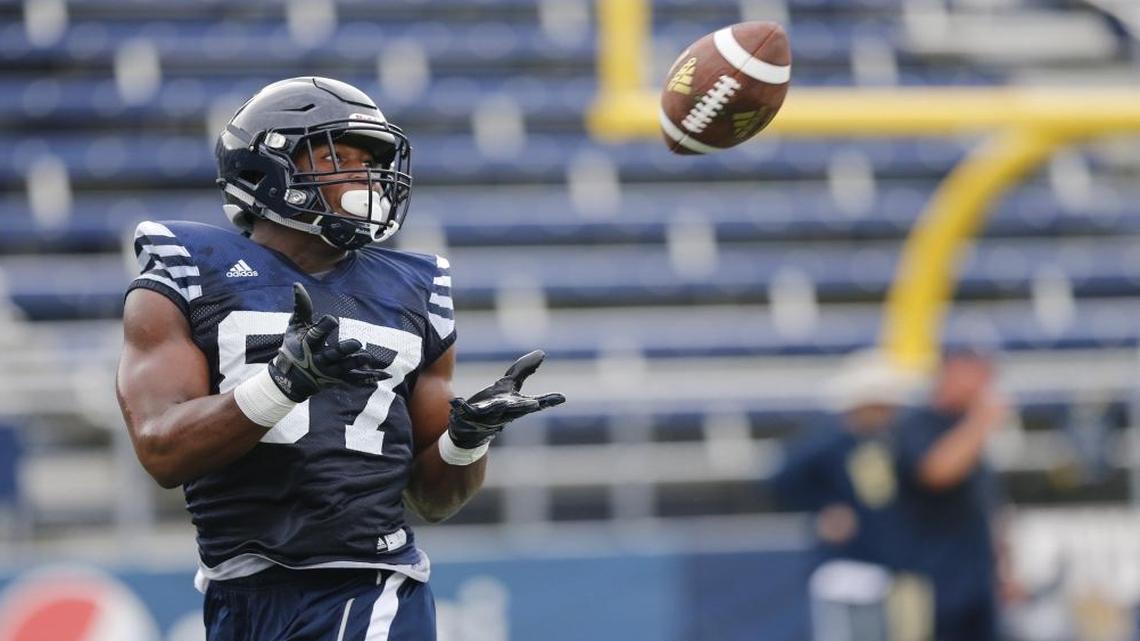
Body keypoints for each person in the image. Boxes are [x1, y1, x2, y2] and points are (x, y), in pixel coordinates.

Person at [115, 76, 565, 640]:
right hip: (235, 593)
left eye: (370, 161)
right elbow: (162, 451)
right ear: (267, 169)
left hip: (365, 583)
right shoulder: (191, 270)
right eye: (338, 155)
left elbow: (432, 499)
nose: (366, 175)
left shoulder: (411, 288)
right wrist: (282, 384)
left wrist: (467, 437)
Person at [894, 349, 1008, 641]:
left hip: (978, 576)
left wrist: (1004, 567)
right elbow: (936, 472)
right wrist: (981, 421)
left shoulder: (967, 429)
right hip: (931, 580)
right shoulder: (917, 423)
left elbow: (985, 505)